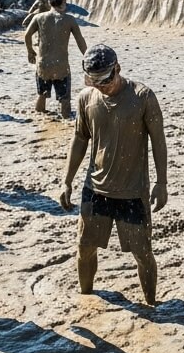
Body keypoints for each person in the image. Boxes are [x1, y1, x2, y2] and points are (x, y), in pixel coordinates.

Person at [59, 45, 169, 305]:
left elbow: (159, 142)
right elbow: (79, 139)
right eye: (94, 81)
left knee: (142, 253)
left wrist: (161, 183)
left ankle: (151, 305)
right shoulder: (86, 98)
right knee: (84, 249)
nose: (101, 86)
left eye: (106, 80)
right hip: (95, 190)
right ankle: (86, 300)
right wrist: (66, 180)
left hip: (132, 193)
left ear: (118, 68)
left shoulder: (142, 97)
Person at [23, 0, 87, 118]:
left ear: (49, 3)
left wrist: (30, 51)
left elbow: (27, 35)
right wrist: (87, 57)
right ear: (63, 3)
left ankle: (40, 120)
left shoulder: (39, 17)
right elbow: (80, 41)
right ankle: (65, 122)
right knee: (65, 100)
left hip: (43, 65)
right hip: (61, 66)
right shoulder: (69, 20)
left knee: (42, 95)